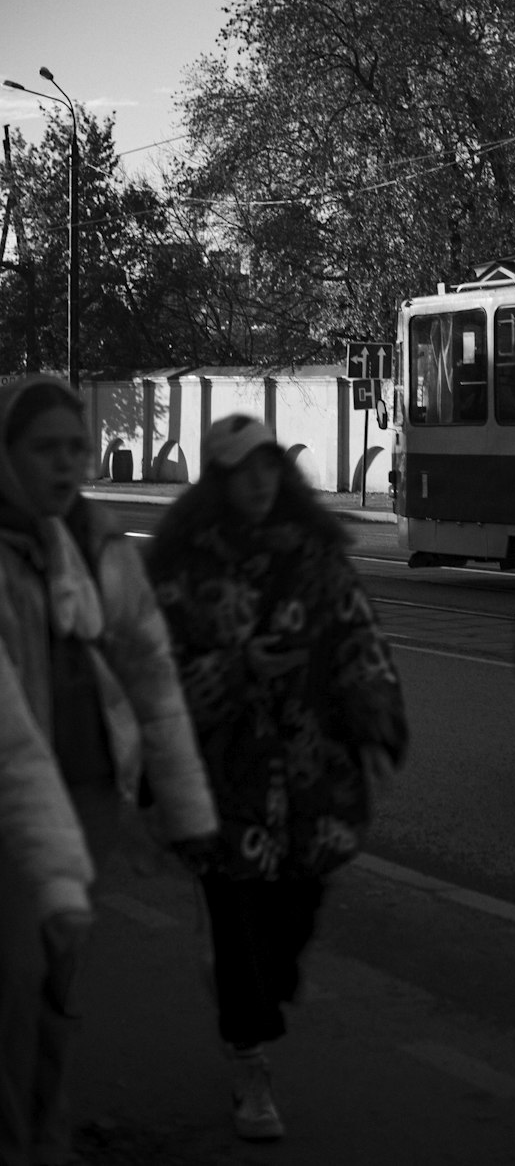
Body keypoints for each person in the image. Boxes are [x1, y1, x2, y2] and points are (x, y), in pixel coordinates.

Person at [145, 414, 408, 1143]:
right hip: (221, 779)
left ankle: (260, 998)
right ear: (217, 482)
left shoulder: (318, 557)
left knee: (290, 925)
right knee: (237, 928)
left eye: (267, 466)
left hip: (309, 775)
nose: (258, 481)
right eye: (241, 470)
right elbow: (154, 677)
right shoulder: (184, 569)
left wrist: (376, 724)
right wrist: (238, 669)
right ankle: (250, 1064)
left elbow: (359, 640)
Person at [0, 374, 219, 1166]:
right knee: (17, 981)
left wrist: (187, 812)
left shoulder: (94, 544)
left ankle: (43, 1131)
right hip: (15, 807)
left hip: (90, 792)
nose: (64, 465)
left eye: (74, 449)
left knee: (52, 984)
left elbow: (152, 673)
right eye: (43, 449)